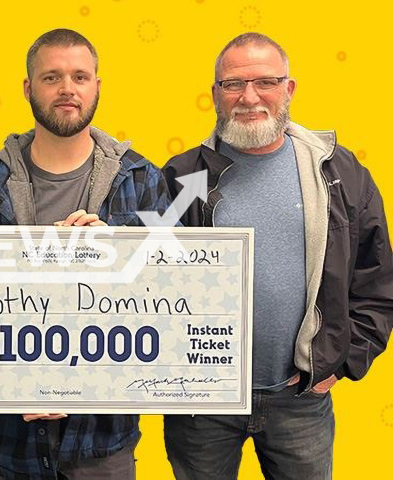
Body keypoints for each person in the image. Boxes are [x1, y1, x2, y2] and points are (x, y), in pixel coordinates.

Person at [162, 32, 393, 480]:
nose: (249, 97)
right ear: (215, 94)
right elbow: (146, 270)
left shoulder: (339, 173)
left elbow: (377, 276)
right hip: (201, 402)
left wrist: (341, 363)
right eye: (233, 84)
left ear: (289, 89)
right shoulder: (183, 176)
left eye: (265, 82)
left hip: (300, 399)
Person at [0, 28, 170, 479]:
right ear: (28, 88)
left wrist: (114, 250)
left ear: (97, 86)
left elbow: (167, 305)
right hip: (6, 441)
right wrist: (16, 387)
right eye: (51, 77)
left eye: (79, 76)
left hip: (101, 441)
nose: (67, 89)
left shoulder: (142, 181)